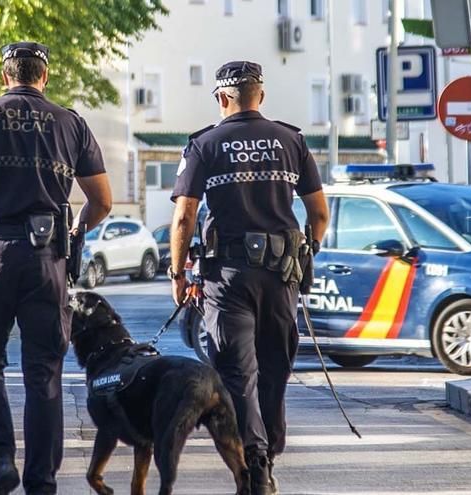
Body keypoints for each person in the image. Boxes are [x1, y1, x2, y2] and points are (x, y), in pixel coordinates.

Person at [0, 41, 112, 495]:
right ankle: (42, 480)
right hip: (48, 260)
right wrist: (75, 230)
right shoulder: (72, 124)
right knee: (43, 369)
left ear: (5, 74)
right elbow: (102, 201)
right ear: (43, 77)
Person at [168, 61, 330, 495]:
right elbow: (319, 213)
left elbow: (184, 214)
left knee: (237, 373)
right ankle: (268, 455)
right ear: (260, 95)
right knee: (274, 368)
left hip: (227, 278)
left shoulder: (204, 144)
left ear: (223, 98)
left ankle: (254, 462)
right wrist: (307, 254)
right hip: (280, 276)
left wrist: (179, 271)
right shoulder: (291, 141)